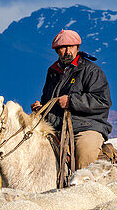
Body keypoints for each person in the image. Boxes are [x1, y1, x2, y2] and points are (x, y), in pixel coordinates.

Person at [31, 29, 112, 169]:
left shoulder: (91, 70)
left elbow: (102, 101)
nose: (67, 51)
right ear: (57, 51)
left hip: (86, 127)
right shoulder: (53, 72)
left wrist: (71, 101)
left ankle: (85, 189)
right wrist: (42, 108)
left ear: (77, 48)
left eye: (71, 47)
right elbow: (48, 99)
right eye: (63, 47)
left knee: (84, 158)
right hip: (56, 127)